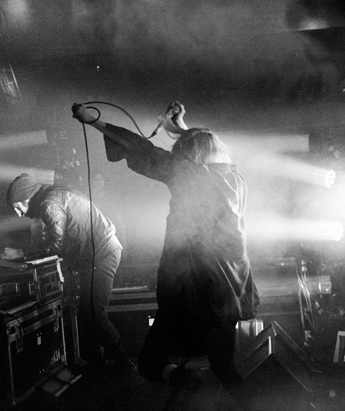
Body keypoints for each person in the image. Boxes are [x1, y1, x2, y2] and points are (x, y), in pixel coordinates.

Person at [72, 101, 259, 409]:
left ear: (188, 157)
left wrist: (94, 121)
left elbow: (144, 151)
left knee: (148, 362)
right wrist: (180, 128)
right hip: (229, 299)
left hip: (194, 299)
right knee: (226, 370)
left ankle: (185, 381)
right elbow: (207, 148)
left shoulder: (189, 177)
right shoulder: (235, 180)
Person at [6, 173, 134, 373]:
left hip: (102, 255)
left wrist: (23, 255)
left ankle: (125, 363)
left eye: (17, 207)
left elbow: (56, 243)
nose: (18, 213)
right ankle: (97, 364)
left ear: (26, 199)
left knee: (94, 314)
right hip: (95, 256)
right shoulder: (54, 197)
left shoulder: (50, 205)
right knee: (86, 314)